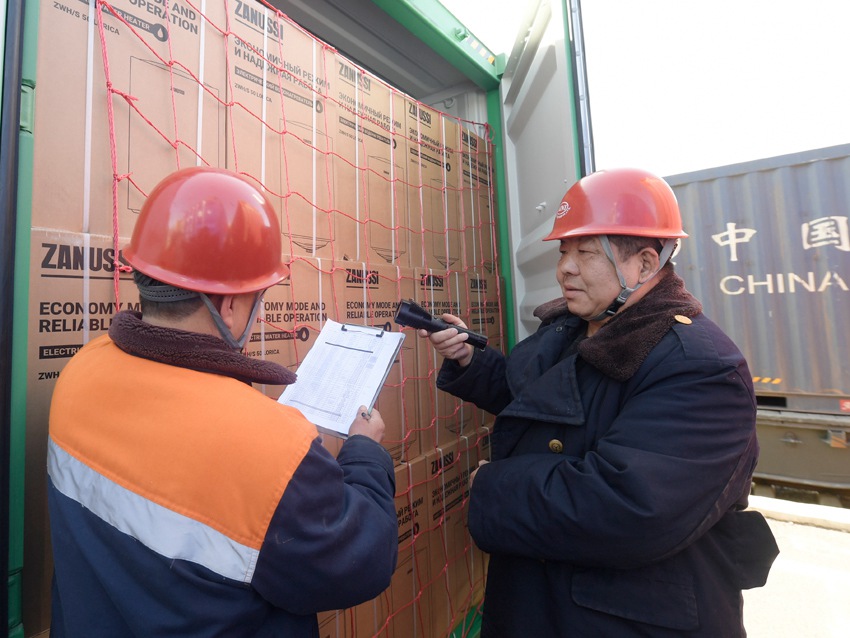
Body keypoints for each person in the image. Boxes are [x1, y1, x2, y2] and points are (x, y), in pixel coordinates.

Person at [421, 168, 779, 637]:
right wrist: (471, 361)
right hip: (548, 598)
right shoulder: (579, 328)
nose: (564, 268)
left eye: (584, 253)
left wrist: (495, 486)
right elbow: (544, 404)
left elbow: (631, 507)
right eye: (564, 251)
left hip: (623, 616)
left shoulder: (701, 367)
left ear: (646, 265)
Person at [47, 166, 398, 637]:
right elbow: (364, 561)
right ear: (229, 305)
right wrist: (365, 452)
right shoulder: (270, 448)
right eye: (258, 297)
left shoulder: (80, 373)